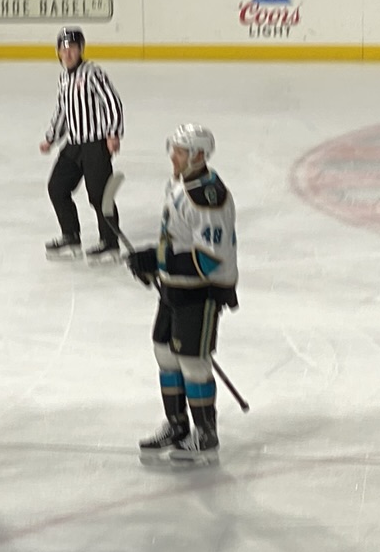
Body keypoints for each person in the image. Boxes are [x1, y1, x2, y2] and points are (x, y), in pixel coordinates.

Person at [126, 123, 238, 466]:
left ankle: (205, 434)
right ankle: (177, 425)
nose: (172, 157)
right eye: (172, 149)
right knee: (164, 351)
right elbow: (176, 239)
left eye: (179, 151)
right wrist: (154, 262)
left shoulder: (208, 198)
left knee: (192, 361)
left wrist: (158, 260)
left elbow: (209, 258)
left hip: (200, 292)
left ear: (199, 155)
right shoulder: (179, 184)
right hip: (175, 287)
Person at [42, 26, 126, 262]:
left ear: (81, 50)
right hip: (74, 144)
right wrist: (50, 138)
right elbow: (62, 112)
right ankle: (71, 236)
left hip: (96, 144)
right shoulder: (63, 79)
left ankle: (110, 243)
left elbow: (112, 102)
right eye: (63, 49)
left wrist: (113, 133)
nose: (68, 53)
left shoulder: (92, 73)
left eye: (72, 48)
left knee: (100, 195)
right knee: (57, 187)